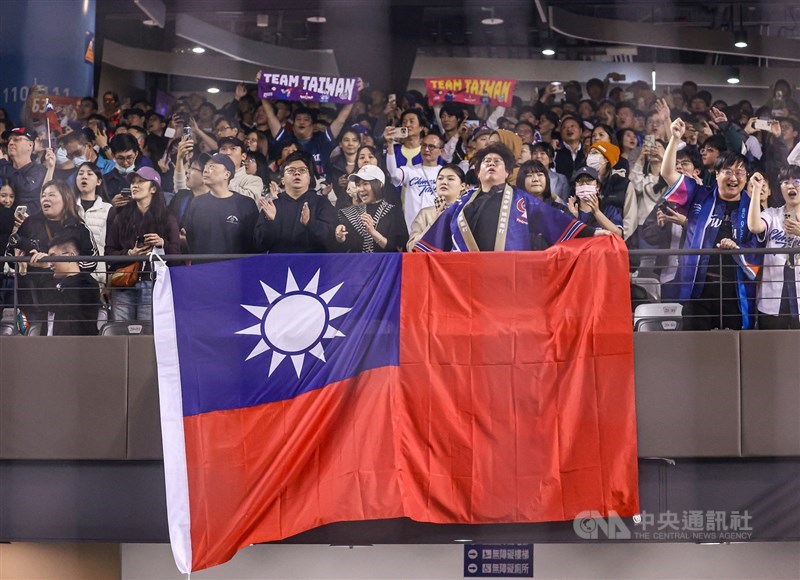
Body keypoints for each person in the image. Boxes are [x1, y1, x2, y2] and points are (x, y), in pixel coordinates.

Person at [660, 116, 760, 330]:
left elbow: (757, 246)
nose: (734, 177)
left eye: (740, 172)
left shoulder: (751, 208)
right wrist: (674, 140)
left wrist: (737, 249)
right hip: (699, 290)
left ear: (746, 177)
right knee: (696, 348)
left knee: (735, 350)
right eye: (728, 171)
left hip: (735, 292)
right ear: (716, 175)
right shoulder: (700, 195)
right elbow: (667, 173)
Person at [415, 144, 609, 253]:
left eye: (497, 162)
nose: (491, 163)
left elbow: (554, 221)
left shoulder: (522, 200)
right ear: (478, 172)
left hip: (511, 276)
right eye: (486, 162)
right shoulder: (461, 202)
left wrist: (591, 232)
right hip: (467, 276)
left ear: (507, 171)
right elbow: (435, 238)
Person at [9, 180, 98, 323]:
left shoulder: (78, 227)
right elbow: (11, 254)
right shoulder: (30, 223)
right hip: (32, 297)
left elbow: (92, 261)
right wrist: (21, 260)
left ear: (66, 198)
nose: (45, 198)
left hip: (68, 298)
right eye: (43, 195)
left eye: (51, 195)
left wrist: (55, 264)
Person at [104, 167, 180, 322]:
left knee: (146, 332)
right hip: (124, 282)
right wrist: (129, 254)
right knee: (121, 330)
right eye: (133, 182)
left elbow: (177, 256)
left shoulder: (167, 218)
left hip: (153, 282)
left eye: (141, 181)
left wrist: (161, 243)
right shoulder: (120, 216)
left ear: (153, 188)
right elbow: (108, 253)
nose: (134, 185)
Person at [747, 168, 800, 329]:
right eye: (786, 182)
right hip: (773, 297)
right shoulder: (772, 214)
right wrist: (756, 190)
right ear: (780, 188)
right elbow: (754, 226)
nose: (791, 186)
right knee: (772, 347)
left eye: (796, 181)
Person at [253, 151, 336, 253]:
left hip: (314, 265)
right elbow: (260, 245)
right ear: (282, 179)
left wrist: (310, 223)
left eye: (302, 170)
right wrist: (270, 221)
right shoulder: (273, 204)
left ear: (310, 178)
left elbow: (331, 240)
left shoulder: (321, 203)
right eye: (291, 170)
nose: (297, 173)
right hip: (280, 265)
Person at [184, 153, 258, 256]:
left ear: (226, 175)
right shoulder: (197, 203)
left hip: (235, 269)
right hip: (202, 268)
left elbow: (253, 244)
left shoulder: (245, 204)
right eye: (205, 167)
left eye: (212, 167)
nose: (205, 170)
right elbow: (191, 239)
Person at [32, 235, 102, 336]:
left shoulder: (88, 283)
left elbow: (58, 305)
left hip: (75, 347)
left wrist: (46, 269)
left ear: (70, 255)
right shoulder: (53, 282)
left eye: (52, 257)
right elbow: (44, 303)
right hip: (49, 346)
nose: (50, 263)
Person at [334, 165, 408, 253]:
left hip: (385, 265)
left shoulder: (393, 212)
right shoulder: (348, 214)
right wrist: (340, 238)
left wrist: (373, 233)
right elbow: (343, 249)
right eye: (358, 185)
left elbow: (399, 249)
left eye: (365, 184)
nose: (360, 189)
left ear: (380, 184)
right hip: (358, 265)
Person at [386, 131, 443, 230]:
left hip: (437, 227)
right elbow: (393, 174)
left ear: (441, 151)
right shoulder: (410, 170)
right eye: (424, 145)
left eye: (431, 147)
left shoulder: (445, 173)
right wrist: (390, 145)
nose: (426, 149)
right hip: (412, 229)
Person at [407, 164, 466, 251]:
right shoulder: (425, 213)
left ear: (463, 186)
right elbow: (411, 248)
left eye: (450, 179)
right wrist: (433, 223)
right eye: (440, 178)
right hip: (433, 262)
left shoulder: (465, 212)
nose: (444, 182)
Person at [74, 162, 112, 283]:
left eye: (89, 174)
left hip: (98, 274)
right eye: (80, 174)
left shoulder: (108, 209)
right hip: (71, 272)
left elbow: (110, 246)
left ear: (99, 181)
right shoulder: (68, 207)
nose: (84, 176)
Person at [566, 166, 624, 237]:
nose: (584, 184)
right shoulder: (569, 210)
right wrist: (573, 218)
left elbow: (618, 235)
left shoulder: (609, 210)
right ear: (575, 187)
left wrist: (597, 212)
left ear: (597, 187)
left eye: (589, 180)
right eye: (579, 180)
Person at [0, 128, 47, 214]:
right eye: (9, 140)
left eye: (17, 139)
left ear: (30, 145)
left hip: (29, 224)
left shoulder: (39, 170)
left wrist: (3, 163)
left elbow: (25, 189)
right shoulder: (3, 168)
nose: (10, 143)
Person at [218, 136, 264, 202]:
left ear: (243, 156)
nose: (227, 153)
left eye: (233, 148)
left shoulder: (254, 180)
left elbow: (250, 201)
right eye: (223, 149)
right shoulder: (209, 176)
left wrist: (223, 182)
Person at [327, 128, 361, 208]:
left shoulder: (365, 163)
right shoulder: (332, 164)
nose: (350, 143)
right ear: (340, 144)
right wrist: (337, 184)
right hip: (340, 207)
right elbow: (327, 185)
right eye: (346, 140)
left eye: (354, 140)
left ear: (359, 144)